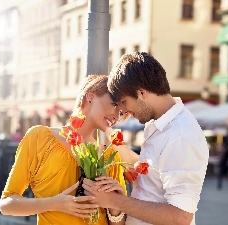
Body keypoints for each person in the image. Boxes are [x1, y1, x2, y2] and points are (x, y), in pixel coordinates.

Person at [83, 52, 209, 225]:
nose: (123, 111)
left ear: (141, 93)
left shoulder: (180, 135)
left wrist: (114, 201)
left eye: (124, 102)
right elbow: (153, 186)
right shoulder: (158, 125)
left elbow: (180, 217)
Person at [0, 75, 127, 225]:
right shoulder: (40, 137)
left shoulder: (110, 156)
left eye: (122, 111)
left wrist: (116, 205)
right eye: (114, 104)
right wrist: (54, 204)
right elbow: (7, 204)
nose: (117, 115)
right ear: (90, 95)